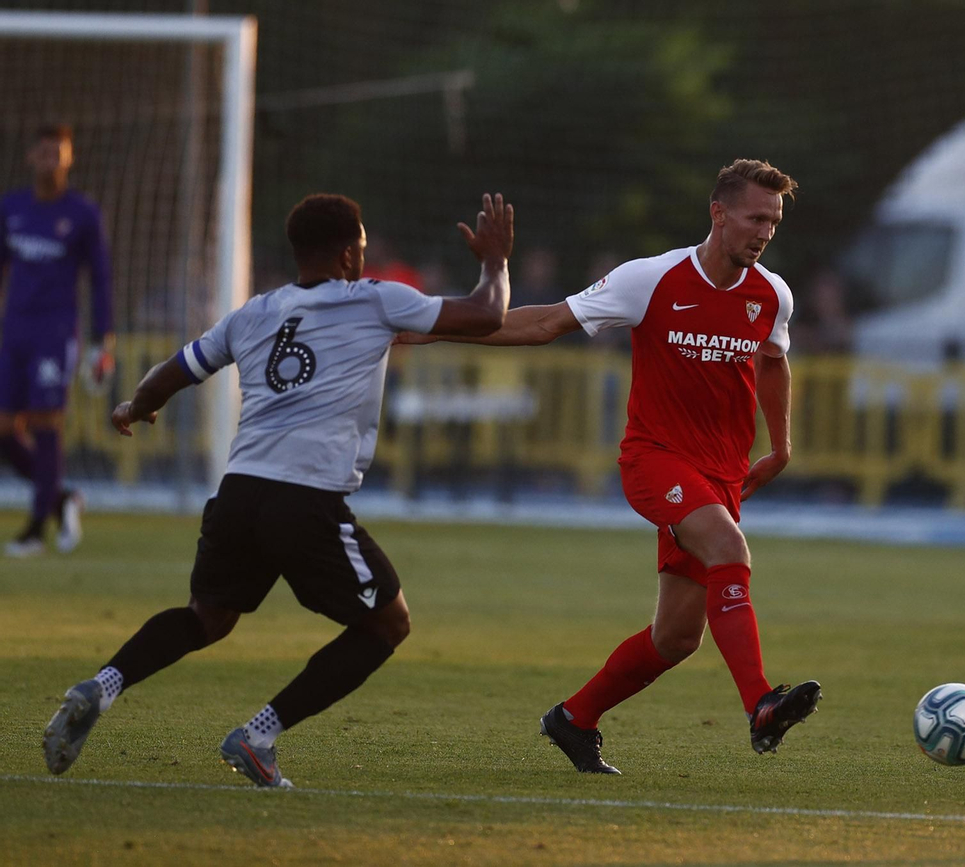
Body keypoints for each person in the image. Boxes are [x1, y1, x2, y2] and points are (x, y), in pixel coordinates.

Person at [40, 192, 513, 787]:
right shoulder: (374, 299)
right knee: (387, 625)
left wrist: (136, 406)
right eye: (362, 247)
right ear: (348, 253)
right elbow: (487, 315)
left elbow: (176, 371)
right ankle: (260, 734)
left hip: (239, 493)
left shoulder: (254, 312)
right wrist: (495, 261)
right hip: (306, 499)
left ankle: (101, 687)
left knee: (205, 618)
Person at [405, 159, 820, 774]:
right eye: (755, 217)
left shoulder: (772, 294)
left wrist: (782, 445)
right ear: (719, 214)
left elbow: (775, 361)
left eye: (774, 221)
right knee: (730, 549)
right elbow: (545, 323)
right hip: (654, 460)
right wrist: (440, 327)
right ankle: (761, 703)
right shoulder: (650, 279)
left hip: (720, 476)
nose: (765, 232)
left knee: (676, 639)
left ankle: (573, 719)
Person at [0, 124, 114, 557]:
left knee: (46, 423)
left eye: (58, 154)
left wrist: (104, 339)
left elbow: (101, 278)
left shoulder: (82, 214)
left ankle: (34, 530)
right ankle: (62, 499)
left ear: (70, 160)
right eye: (44, 153)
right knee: (5, 429)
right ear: (32, 157)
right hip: (15, 331)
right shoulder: (11, 208)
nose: (50, 161)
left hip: (55, 332)